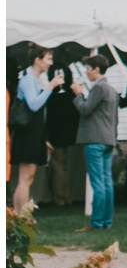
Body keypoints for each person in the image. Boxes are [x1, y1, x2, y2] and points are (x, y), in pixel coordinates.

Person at [11, 44, 63, 212]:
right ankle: (20, 216)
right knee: (25, 178)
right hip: (27, 134)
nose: (51, 63)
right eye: (48, 59)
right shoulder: (27, 80)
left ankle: (19, 215)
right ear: (37, 60)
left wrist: (44, 138)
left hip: (35, 133)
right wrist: (50, 87)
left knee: (29, 177)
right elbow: (33, 105)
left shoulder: (36, 80)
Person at [71, 55, 118, 232]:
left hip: (94, 140)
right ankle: (106, 220)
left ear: (97, 69)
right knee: (106, 182)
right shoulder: (111, 89)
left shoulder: (99, 87)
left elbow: (85, 109)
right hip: (107, 139)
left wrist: (78, 95)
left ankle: (96, 222)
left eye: (88, 68)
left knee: (98, 183)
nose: (86, 72)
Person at [47, 61, 82, 207]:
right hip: (69, 134)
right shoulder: (71, 95)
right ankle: (66, 196)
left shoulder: (52, 96)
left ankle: (60, 197)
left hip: (56, 134)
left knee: (58, 165)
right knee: (63, 165)